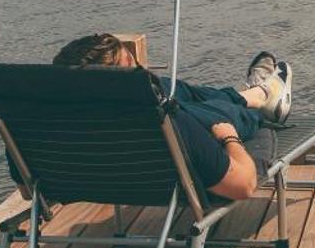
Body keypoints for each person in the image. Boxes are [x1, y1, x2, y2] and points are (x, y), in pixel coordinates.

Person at [52, 32, 292, 202]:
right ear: (120, 83)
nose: (142, 71)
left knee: (167, 86)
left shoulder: (43, 124)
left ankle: (251, 92)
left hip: (110, 164)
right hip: (183, 158)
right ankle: (261, 97)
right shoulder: (171, 122)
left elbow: (27, 190)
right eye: (135, 69)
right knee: (218, 112)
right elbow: (243, 185)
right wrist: (229, 137)